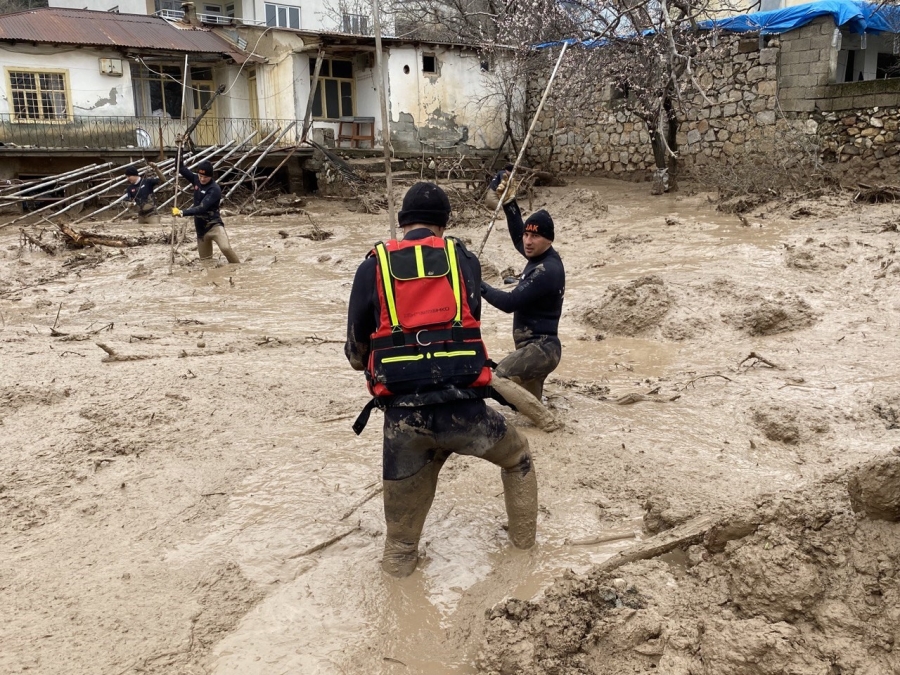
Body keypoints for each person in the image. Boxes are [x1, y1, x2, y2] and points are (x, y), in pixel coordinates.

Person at [345, 182, 538, 578]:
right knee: (518, 458)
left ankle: (398, 614)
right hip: (465, 413)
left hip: (404, 423)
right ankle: (526, 556)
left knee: (399, 545)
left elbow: (355, 355)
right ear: (444, 223)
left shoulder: (371, 267)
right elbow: (467, 326)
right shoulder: (463, 259)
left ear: (403, 222)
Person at [480, 170, 565, 402]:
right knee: (529, 405)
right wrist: (509, 203)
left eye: (534, 237)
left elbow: (509, 303)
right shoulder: (537, 256)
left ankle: (548, 424)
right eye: (527, 234)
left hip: (541, 350)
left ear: (549, 240)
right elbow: (518, 236)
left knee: (498, 379)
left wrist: (477, 283)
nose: (527, 241)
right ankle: (545, 426)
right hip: (532, 348)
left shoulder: (547, 270)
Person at [172, 160, 240, 264]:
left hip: (214, 225)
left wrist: (182, 212)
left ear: (211, 176)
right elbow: (180, 168)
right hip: (201, 229)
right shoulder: (196, 179)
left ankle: (238, 267)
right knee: (206, 262)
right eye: (200, 176)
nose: (202, 179)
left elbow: (201, 208)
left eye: (205, 177)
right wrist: (179, 148)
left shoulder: (214, 189)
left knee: (225, 248)